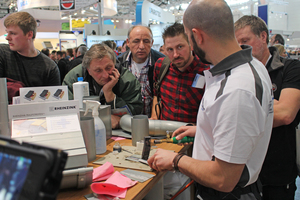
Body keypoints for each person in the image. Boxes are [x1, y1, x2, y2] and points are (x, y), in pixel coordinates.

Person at [148, 1, 274, 200]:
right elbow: (243, 128)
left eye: (188, 39)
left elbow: (223, 178)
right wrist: (205, 130)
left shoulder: (237, 89)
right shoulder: (252, 65)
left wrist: (175, 160)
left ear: (197, 36)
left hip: (226, 194)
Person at [235, 15, 300, 200]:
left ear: (263, 36)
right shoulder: (238, 74)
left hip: (278, 173)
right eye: (237, 42)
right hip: (244, 173)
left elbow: (286, 114)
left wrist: (242, 115)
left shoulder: (290, 68)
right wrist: (272, 104)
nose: (241, 47)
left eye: (246, 41)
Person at [63, 43, 143, 129]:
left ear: (114, 63)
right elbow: (66, 112)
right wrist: (104, 118)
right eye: (98, 70)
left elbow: (136, 114)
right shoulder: (73, 79)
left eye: (109, 68)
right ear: (88, 70)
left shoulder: (127, 80)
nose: (105, 75)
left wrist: (109, 94)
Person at [151, 22, 208, 123]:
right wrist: (155, 117)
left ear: (190, 44)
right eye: (170, 49)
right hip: (164, 135)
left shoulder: (206, 71)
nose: (175, 54)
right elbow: (157, 95)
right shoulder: (161, 66)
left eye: (180, 47)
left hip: (193, 135)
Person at [0, 12, 60, 87]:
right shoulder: (2, 53)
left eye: (13, 33)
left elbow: (53, 97)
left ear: (29, 35)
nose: (7, 37)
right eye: (7, 32)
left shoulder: (49, 67)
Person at [117, 25, 165, 117]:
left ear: (152, 43)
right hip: (126, 122)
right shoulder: (118, 64)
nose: (141, 46)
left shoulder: (162, 63)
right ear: (128, 42)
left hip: (154, 123)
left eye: (146, 41)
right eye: (136, 41)